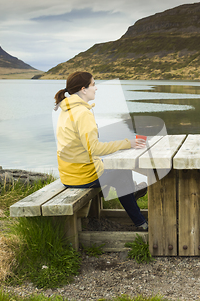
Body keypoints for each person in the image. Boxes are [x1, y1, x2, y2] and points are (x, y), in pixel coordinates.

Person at [54, 71, 148, 230]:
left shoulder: (66, 109)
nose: (96, 88)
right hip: (82, 177)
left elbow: (85, 149)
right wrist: (128, 143)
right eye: (93, 84)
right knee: (122, 171)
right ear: (83, 89)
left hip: (68, 174)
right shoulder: (82, 113)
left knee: (118, 173)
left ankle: (133, 200)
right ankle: (140, 222)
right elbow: (95, 149)